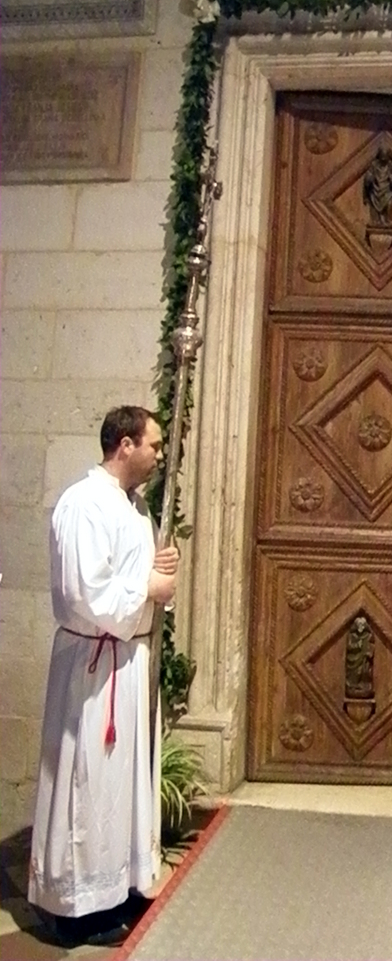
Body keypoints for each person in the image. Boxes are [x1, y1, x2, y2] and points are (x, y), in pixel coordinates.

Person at [28, 406, 178, 948]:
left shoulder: (134, 506)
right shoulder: (83, 503)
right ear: (124, 445)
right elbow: (83, 592)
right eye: (154, 445)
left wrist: (160, 573)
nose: (159, 455)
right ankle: (74, 908)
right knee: (85, 784)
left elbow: (134, 574)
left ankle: (115, 888)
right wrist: (149, 589)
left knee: (118, 784)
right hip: (92, 669)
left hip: (125, 659)